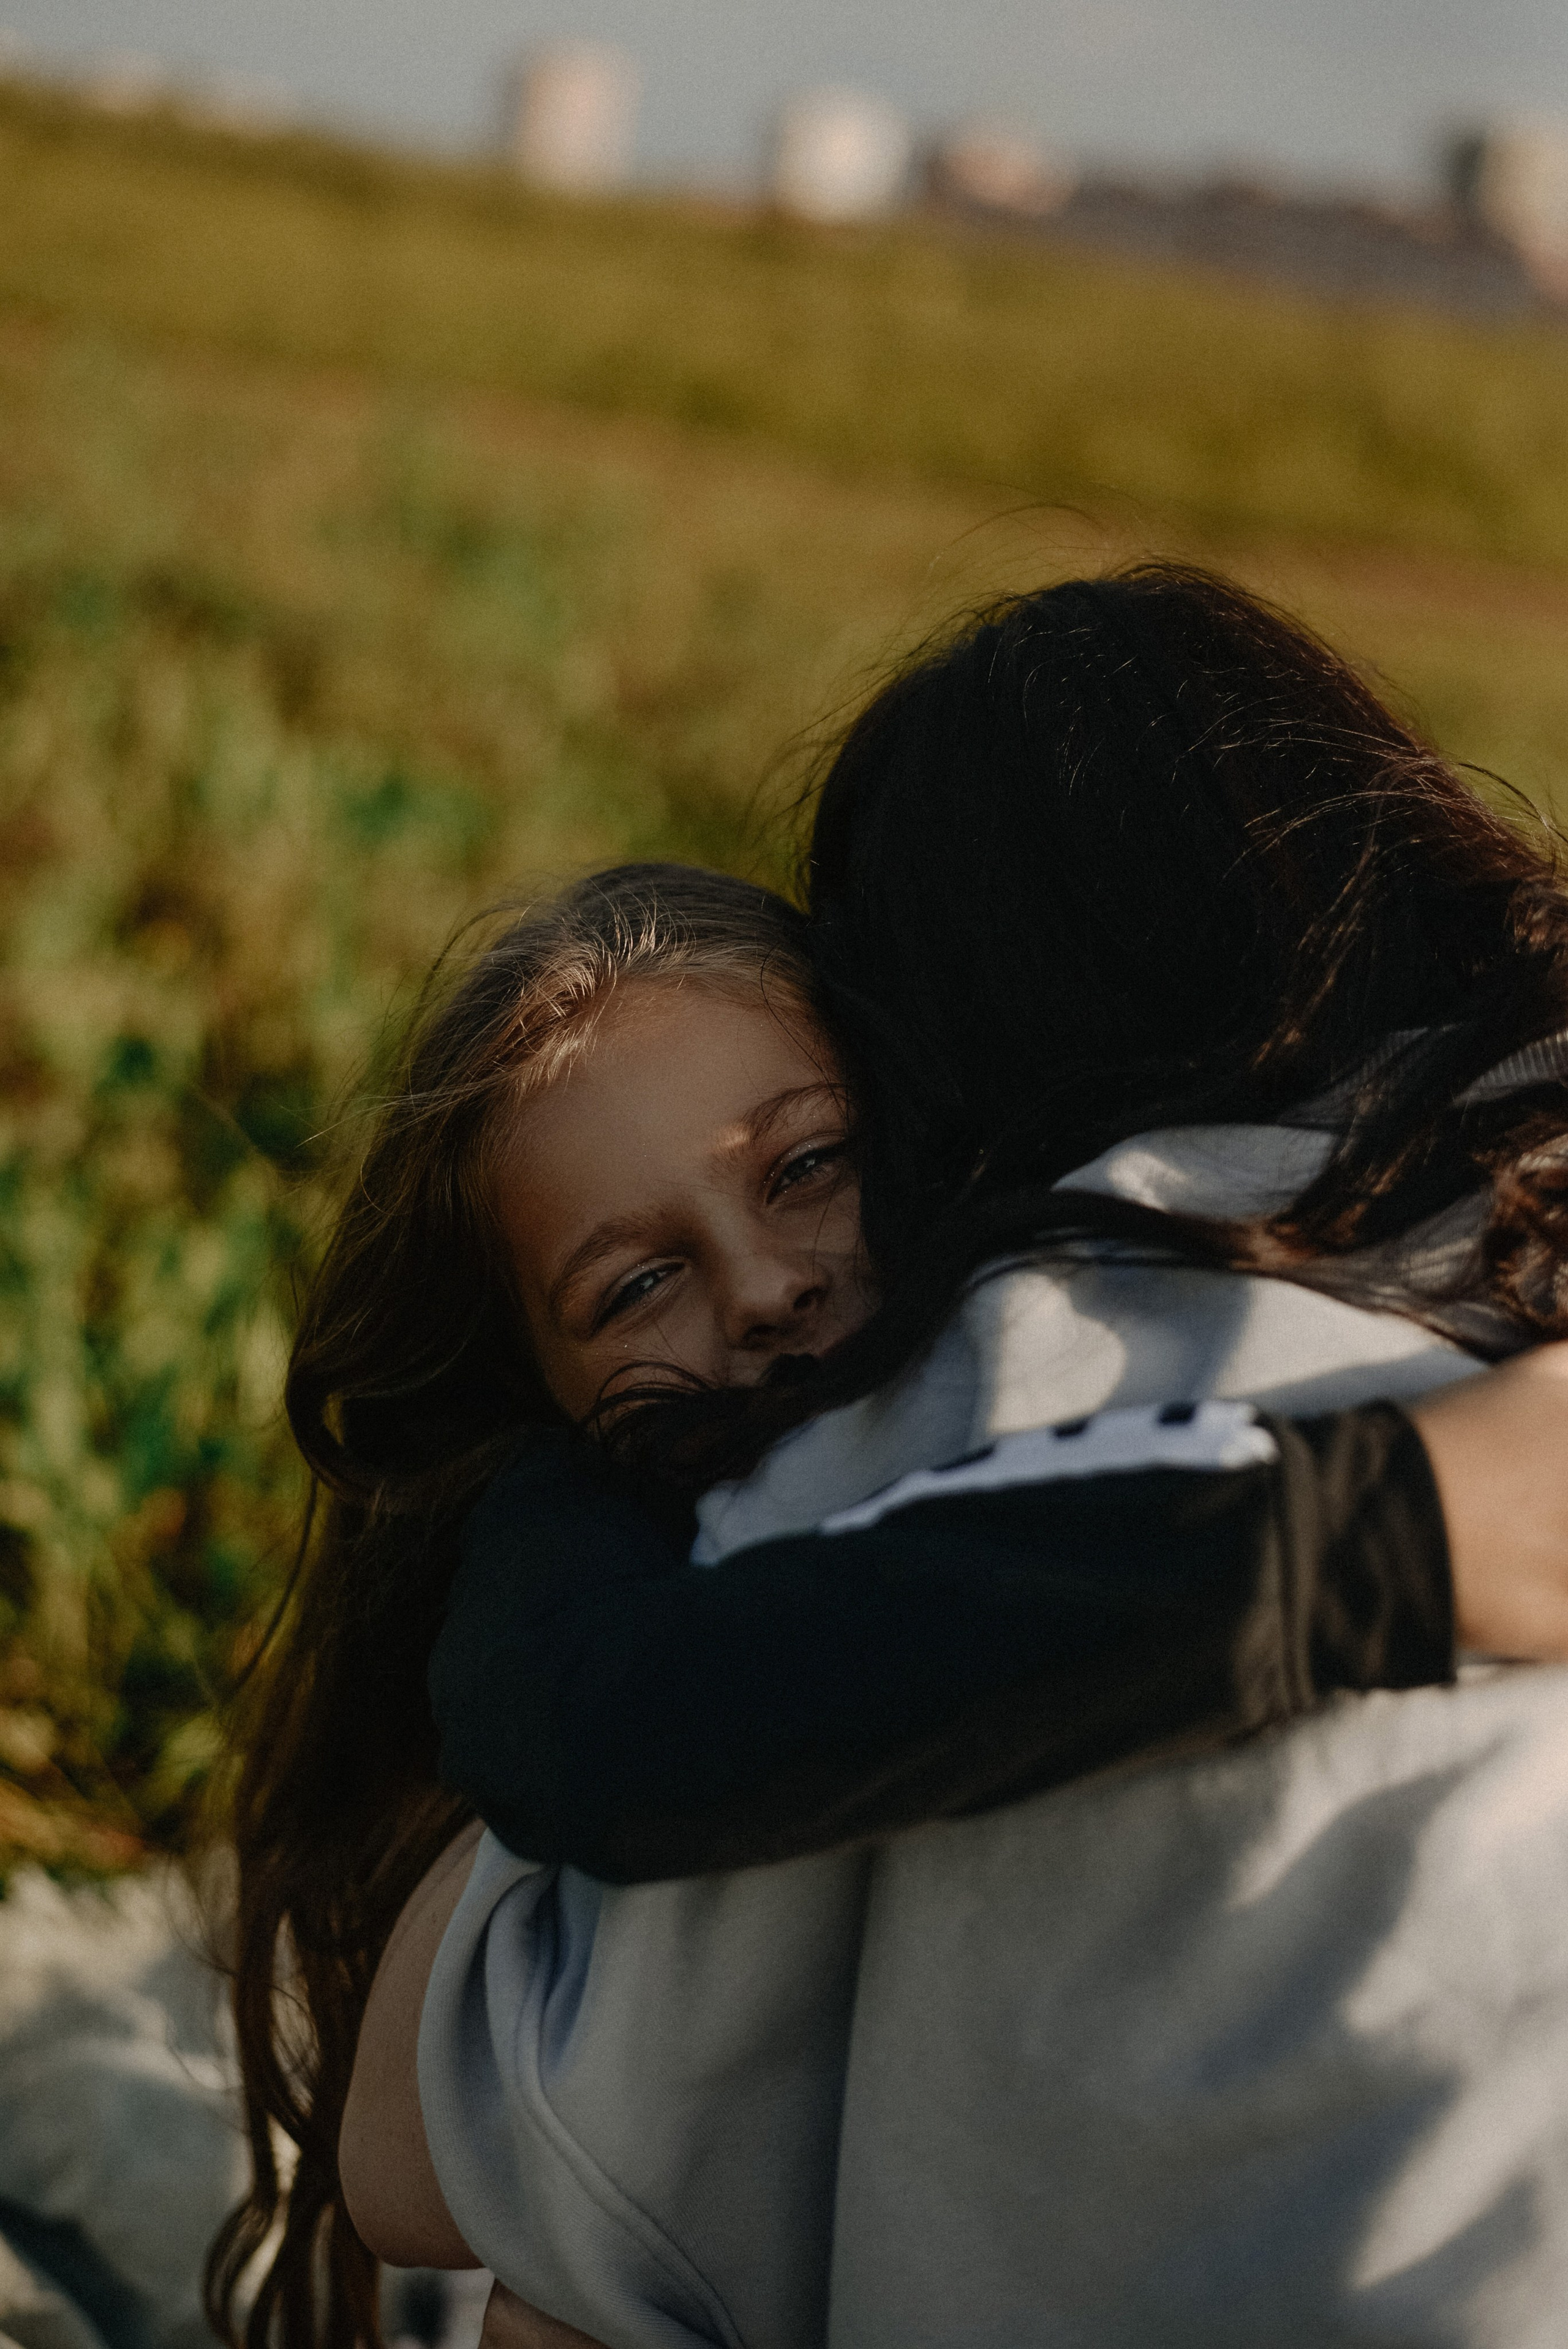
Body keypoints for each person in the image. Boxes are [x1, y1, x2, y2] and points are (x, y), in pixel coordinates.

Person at [352, 567, 1568, 2347]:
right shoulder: (1509, 1228)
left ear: (917, 1057)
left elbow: (404, 2155)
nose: (766, 1293)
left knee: (572, 2287)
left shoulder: (909, 1440)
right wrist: (1388, 1534)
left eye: (805, 1163)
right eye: (633, 1282)